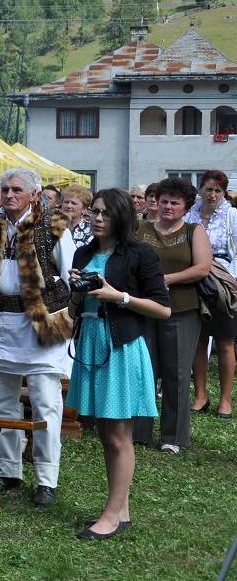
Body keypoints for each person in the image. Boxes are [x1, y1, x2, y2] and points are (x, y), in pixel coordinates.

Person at [65, 188, 171, 539]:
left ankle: (111, 517)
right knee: (103, 433)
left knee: (118, 436)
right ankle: (119, 510)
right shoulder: (83, 251)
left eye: (105, 213)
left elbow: (163, 308)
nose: (97, 218)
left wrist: (119, 296)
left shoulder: (140, 254)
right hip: (91, 343)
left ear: (122, 217)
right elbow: (73, 310)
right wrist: (76, 290)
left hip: (122, 346)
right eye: (94, 211)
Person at [0, 168, 74, 505]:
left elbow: (67, 276)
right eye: (4, 189)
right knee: (1, 401)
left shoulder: (55, 224)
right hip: (0, 324)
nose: (8, 195)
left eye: (16, 189)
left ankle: (47, 479)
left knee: (45, 402)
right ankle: (8, 470)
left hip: (41, 326)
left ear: (34, 194)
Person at [133, 176, 212, 453]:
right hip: (143, 309)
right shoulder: (140, 229)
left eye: (174, 202)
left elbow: (203, 268)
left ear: (186, 206)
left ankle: (173, 437)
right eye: (164, 201)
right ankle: (138, 432)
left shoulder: (194, 231)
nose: (167, 206)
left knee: (176, 373)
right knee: (143, 370)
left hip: (182, 309)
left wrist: (166, 279)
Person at [185, 170, 237, 420]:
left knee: (225, 340)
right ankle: (200, 395)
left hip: (224, 282)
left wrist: (227, 279)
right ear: (200, 190)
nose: (212, 194)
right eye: (208, 189)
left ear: (224, 193)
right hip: (194, 280)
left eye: (218, 190)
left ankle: (225, 400)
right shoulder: (190, 213)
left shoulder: (232, 215)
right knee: (198, 339)